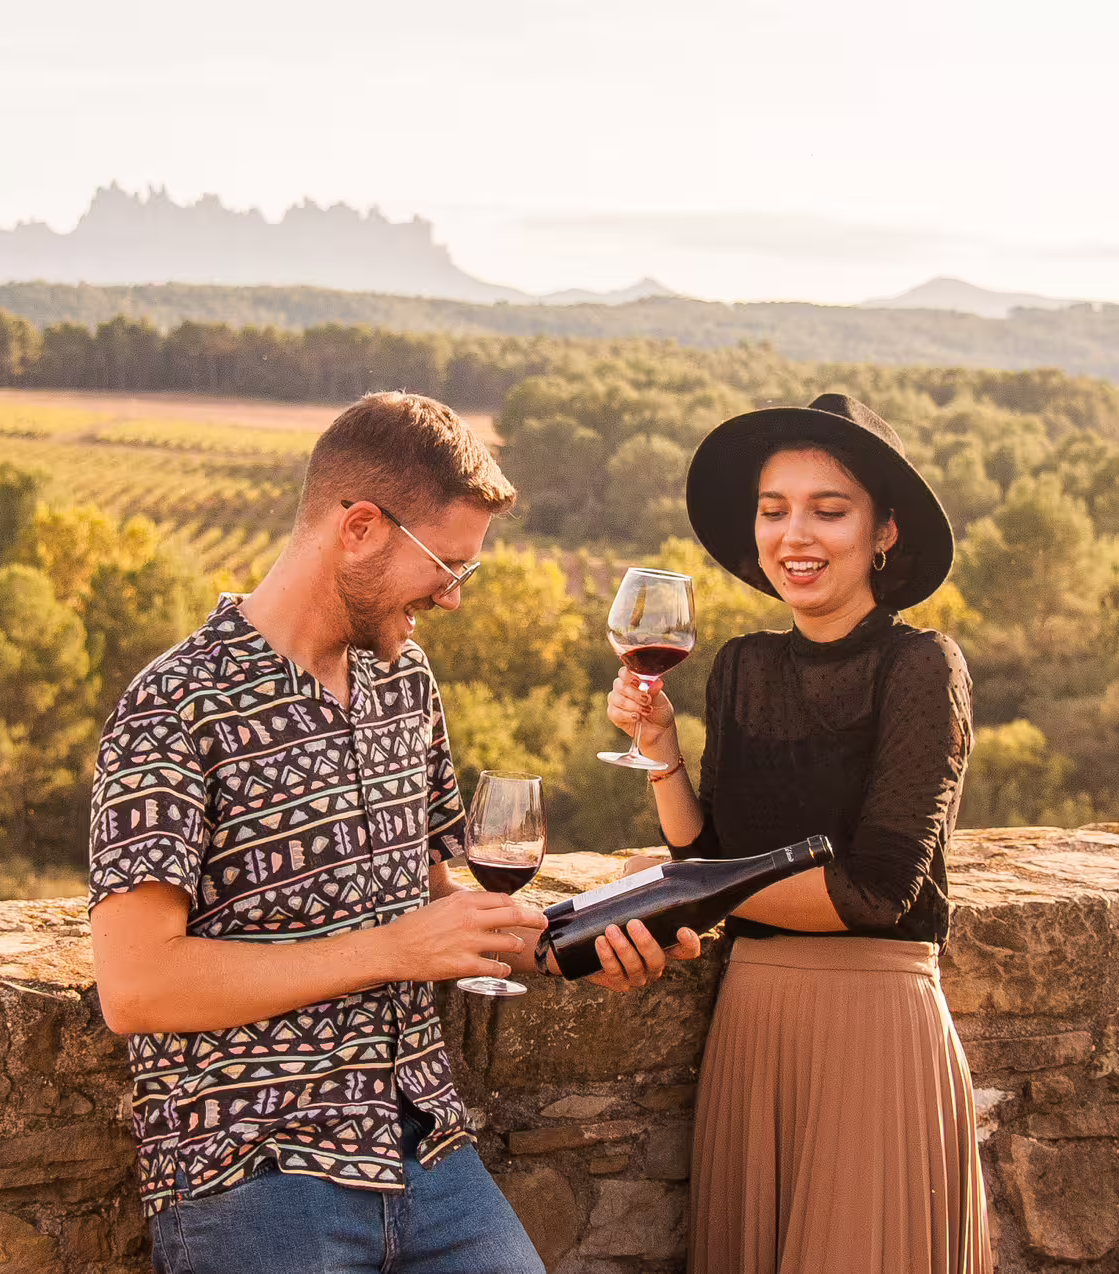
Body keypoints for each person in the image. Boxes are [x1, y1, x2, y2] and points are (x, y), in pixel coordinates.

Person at [89, 391, 694, 1274]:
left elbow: (440, 903)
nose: (454, 597)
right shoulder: (173, 707)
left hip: (430, 1155)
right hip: (256, 1175)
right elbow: (138, 987)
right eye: (447, 565)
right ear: (361, 527)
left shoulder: (403, 681)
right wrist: (393, 949)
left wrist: (585, 937)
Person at [608, 393, 992, 1273]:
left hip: (874, 1027)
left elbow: (875, 892)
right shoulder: (742, 667)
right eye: (774, 510)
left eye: (829, 510)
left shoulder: (922, 668)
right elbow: (709, 860)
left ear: (883, 531)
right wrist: (660, 751)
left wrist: (680, 894)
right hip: (751, 1021)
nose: (796, 536)